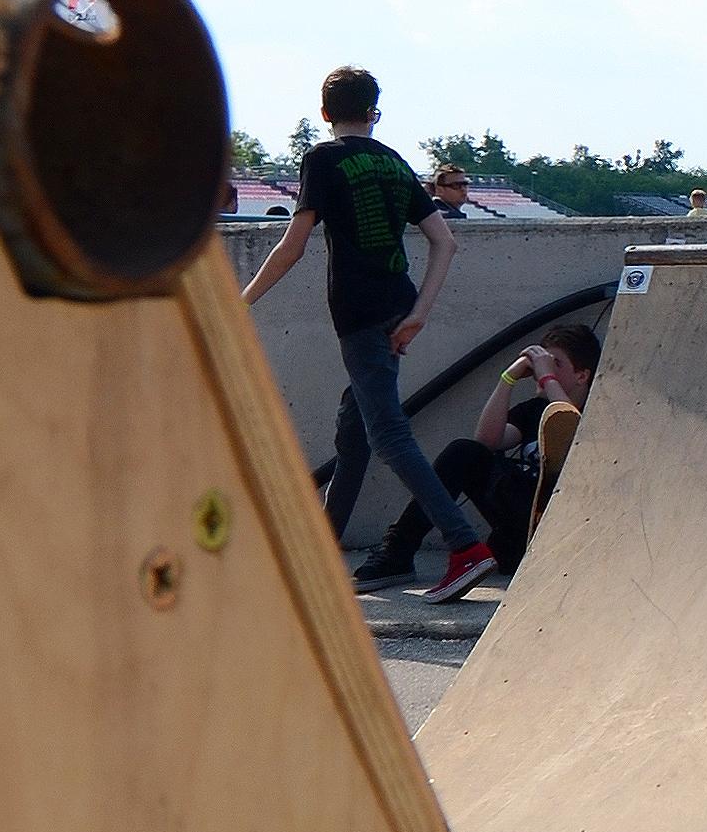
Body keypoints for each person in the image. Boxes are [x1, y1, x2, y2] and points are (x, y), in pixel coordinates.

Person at [244, 68, 497, 600]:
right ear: (374, 112)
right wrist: (419, 313)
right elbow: (444, 242)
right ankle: (322, 551)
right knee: (354, 428)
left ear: (324, 112)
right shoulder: (393, 161)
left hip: (359, 313)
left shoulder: (322, 159)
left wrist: (240, 302)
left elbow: (293, 245)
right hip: (398, 306)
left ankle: (465, 546)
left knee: (387, 434)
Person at [353, 320, 600, 586]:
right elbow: (486, 440)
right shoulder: (533, 409)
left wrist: (547, 377)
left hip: (562, 529)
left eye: (556, 364)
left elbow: (572, 431)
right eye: (543, 362)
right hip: (517, 530)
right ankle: (398, 551)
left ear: (582, 376)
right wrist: (508, 378)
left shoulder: (599, 412)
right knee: (464, 452)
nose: (543, 370)